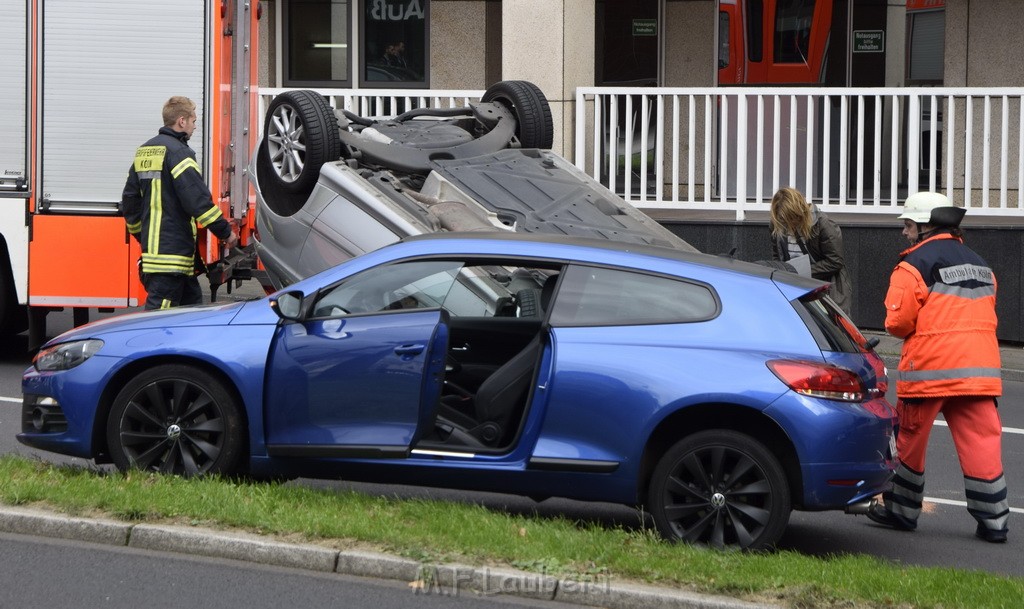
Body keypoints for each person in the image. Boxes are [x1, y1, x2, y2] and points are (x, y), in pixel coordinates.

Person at [866, 191, 1009, 543]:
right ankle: (994, 522)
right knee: (982, 444)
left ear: (927, 226)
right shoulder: (981, 264)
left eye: (910, 225)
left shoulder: (913, 265)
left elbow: (897, 323)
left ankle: (901, 510)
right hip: (979, 372)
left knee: (910, 441)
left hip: (931, 371)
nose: (905, 232)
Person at [122, 96, 238, 310]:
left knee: (191, 314)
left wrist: (144, 237)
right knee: (160, 319)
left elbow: (130, 202)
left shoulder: (145, 151)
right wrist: (225, 232)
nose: (195, 127)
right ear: (182, 121)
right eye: (194, 121)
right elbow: (197, 201)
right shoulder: (180, 153)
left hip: (163, 258)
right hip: (171, 259)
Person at [768, 187, 852, 314]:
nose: (789, 224)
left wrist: (802, 272)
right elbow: (777, 257)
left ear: (799, 212)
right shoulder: (777, 224)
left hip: (826, 287)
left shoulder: (823, 224)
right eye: (784, 220)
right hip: (794, 285)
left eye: (791, 218)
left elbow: (835, 261)